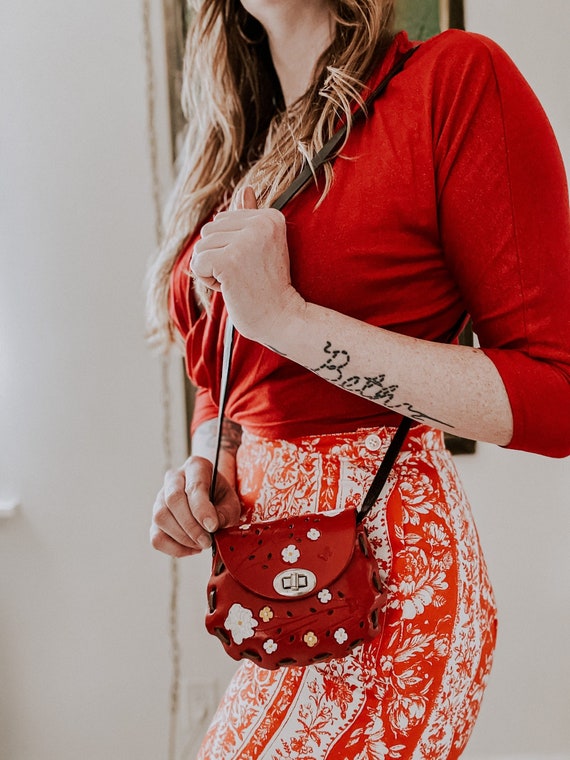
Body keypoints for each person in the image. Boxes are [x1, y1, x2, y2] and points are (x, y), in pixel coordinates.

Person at [147, 0, 570, 757]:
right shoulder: (233, 149)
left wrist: (289, 318)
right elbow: (220, 380)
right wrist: (209, 461)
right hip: (275, 590)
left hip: (391, 588)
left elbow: (555, 392)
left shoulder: (454, 80)